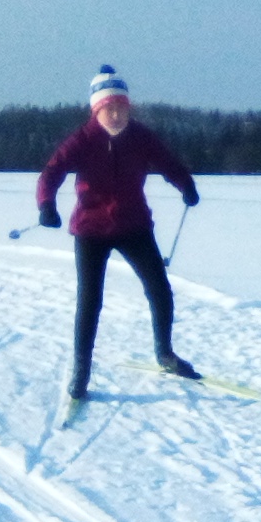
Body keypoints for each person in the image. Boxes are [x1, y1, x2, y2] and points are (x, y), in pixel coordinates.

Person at [36, 65, 201, 402]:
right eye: (108, 109)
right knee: (90, 301)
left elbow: (168, 161)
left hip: (134, 225)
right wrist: (46, 205)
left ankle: (165, 353)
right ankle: (81, 370)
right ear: (97, 110)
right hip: (91, 229)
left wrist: (186, 184)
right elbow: (51, 173)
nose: (115, 115)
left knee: (159, 289)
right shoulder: (82, 141)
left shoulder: (141, 138)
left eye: (121, 108)